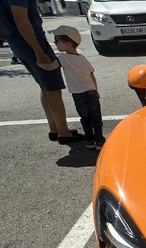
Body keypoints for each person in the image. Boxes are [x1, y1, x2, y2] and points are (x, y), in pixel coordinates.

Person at [0, 0, 84, 144]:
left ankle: (55, 129)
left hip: (19, 42)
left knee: (45, 87)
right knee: (53, 88)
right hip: (31, 42)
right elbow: (20, 18)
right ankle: (63, 132)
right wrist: (38, 50)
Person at [46, 26, 105, 150]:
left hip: (78, 94)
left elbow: (51, 67)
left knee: (85, 119)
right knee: (96, 119)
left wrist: (38, 63)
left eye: (56, 41)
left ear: (68, 43)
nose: (55, 43)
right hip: (92, 92)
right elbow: (92, 75)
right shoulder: (83, 58)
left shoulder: (63, 58)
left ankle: (89, 141)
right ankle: (99, 140)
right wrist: (97, 91)